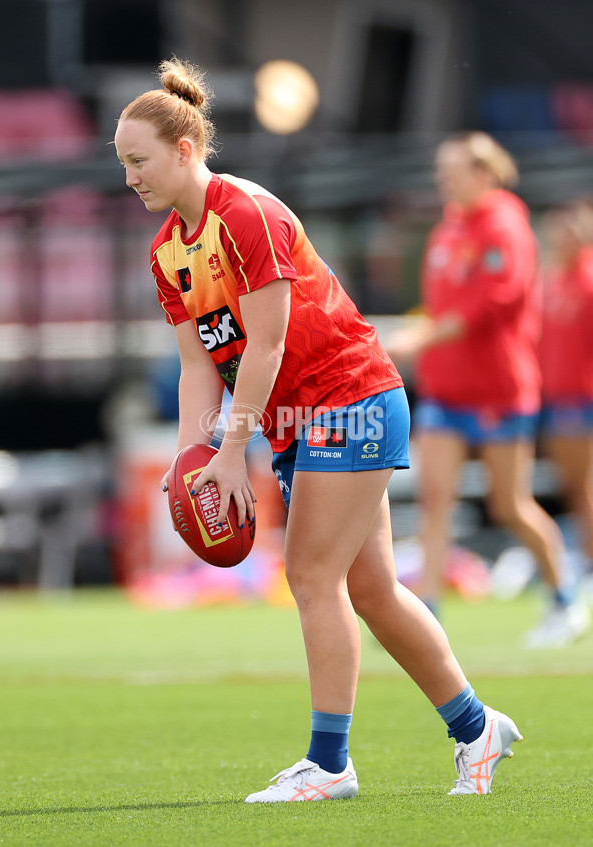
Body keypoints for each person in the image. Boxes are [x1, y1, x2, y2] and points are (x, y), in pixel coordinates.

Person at [114, 60, 522, 803]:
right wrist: (193, 461)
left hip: (351, 397)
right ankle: (476, 726)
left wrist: (235, 450)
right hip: (304, 416)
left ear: (183, 150)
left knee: (309, 575)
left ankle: (329, 763)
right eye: (123, 164)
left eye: (139, 160)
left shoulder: (245, 214)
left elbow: (265, 346)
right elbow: (198, 367)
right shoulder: (166, 251)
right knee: (370, 589)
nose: (131, 177)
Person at [387, 132, 589, 647]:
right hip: (446, 392)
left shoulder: (506, 227)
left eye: (452, 170)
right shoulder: (448, 231)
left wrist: (423, 337)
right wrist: (427, 340)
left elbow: (489, 306)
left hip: (500, 393)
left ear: (485, 173)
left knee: (510, 505)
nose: (444, 180)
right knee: (436, 501)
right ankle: (427, 617)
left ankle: (563, 596)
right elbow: (441, 304)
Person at [539, 200, 593, 606]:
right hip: (557, 397)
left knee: (584, 487)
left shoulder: (587, 280)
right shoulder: (553, 281)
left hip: (582, 397)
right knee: (571, 488)